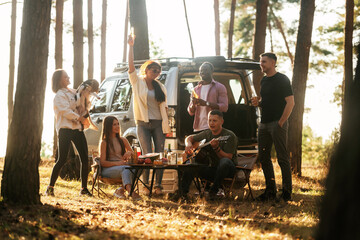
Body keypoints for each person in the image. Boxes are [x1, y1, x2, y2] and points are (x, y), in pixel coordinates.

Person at [127, 34, 171, 195]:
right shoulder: (137, 82)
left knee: (159, 155)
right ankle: (146, 186)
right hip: (143, 124)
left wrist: (167, 124)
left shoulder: (160, 86)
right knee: (146, 156)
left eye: (159, 71)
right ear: (146, 70)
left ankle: (158, 186)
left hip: (159, 124)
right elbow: (130, 67)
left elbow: (164, 107)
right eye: (154, 70)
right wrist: (130, 46)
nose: (157, 72)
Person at [251, 52, 295, 202]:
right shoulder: (264, 81)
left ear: (272, 62)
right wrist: (259, 102)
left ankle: (286, 193)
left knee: (282, 158)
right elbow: (267, 101)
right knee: (263, 157)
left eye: (263, 61)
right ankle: (270, 191)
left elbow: (290, 102)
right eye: (260, 61)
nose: (261, 64)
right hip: (263, 124)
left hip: (278, 123)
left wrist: (281, 122)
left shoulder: (282, 79)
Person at [45, 69, 92, 197]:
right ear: (59, 80)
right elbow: (65, 111)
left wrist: (86, 100)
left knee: (84, 158)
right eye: (66, 77)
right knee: (62, 159)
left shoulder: (73, 92)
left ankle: (84, 188)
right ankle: (50, 187)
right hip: (65, 130)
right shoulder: (59, 96)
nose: (68, 78)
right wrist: (79, 118)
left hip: (77, 129)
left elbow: (82, 102)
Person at [178, 110, 237, 200]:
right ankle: (182, 194)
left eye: (214, 121)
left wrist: (217, 148)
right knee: (191, 165)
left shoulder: (229, 135)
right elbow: (189, 138)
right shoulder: (207, 133)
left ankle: (213, 191)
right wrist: (189, 144)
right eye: (209, 120)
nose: (211, 123)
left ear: (222, 122)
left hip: (228, 170)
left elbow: (228, 157)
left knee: (224, 162)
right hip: (213, 170)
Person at [98, 116, 141, 200]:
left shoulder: (123, 140)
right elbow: (102, 162)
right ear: (108, 126)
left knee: (139, 168)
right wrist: (118, 163)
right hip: (108, 169)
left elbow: (133, 155)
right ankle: (130, 192)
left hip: (123, 167)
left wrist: (129, 153)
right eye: (114, 124)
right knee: (125, 168)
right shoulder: (104, 142)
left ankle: (120, 190)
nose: (117, 126)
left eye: (118, 124)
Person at [187, 62, 228, 132]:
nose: (202, 72)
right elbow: (190, 112)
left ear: (212, 71)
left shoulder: (220, 87)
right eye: (201, 70)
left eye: (205, 70)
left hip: (213, 129)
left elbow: (224, 107)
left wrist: (206, 103)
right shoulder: (195, 89)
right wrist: (193, 105)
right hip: (198, 128)